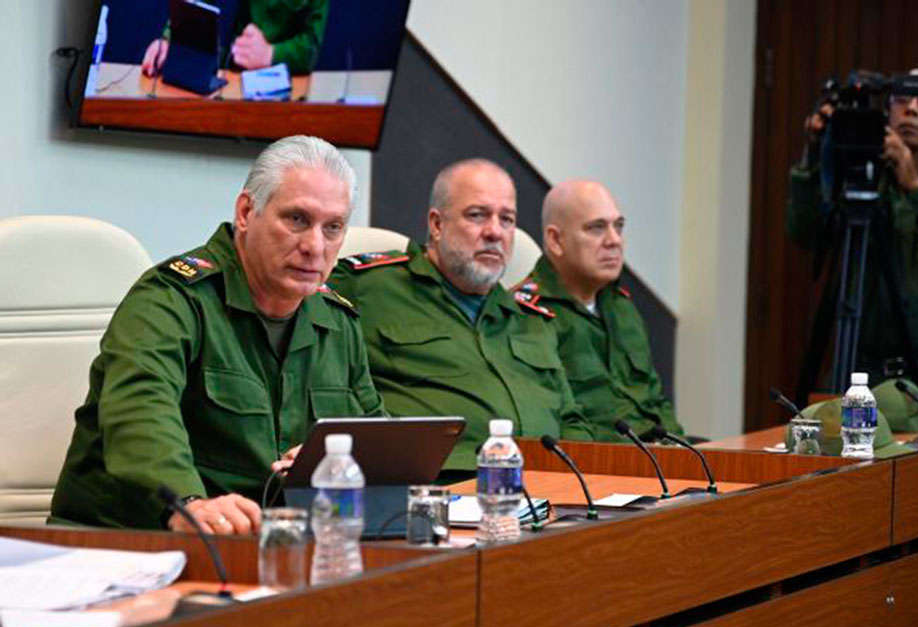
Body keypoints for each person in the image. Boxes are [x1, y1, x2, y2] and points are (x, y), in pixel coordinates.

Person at [50, 135, 384, 533]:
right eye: (297, 220)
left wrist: (325, 462)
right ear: (246, 212)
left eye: (333, 228)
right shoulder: (171, 300)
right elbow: (138, 409)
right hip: (131, 542)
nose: (315, 245)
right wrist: (188, 502)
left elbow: (374, 436)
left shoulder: (337, 321)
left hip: (272, 545)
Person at [330, 159, 591, 471]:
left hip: (549, 498)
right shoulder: (368, 286)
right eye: (477, 215)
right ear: (437, 225)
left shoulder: (531, 319)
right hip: (440, 496)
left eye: (507, 220)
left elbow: (572, 420)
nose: (495, 232)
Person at [787, 67, 918, 396]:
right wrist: (815, 154)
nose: (911, 108)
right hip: (863, 376)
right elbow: (805, 233)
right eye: (900, 100)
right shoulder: (863, 178)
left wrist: (916, 187)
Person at [514, 180, 683, 441]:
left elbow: (656, 400)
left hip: (660, 456)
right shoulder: (526, 314)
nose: (614, 240)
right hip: (604, 467)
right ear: (556, 240)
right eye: (596, 228)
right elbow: (554, 425)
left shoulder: (621, 305)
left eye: (619, 226)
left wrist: (682, 453)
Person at [142, 0, 330, 77]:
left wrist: (271, 54)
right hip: (238, 78)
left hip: (290, 86)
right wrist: (170, 40)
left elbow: (311, 46)